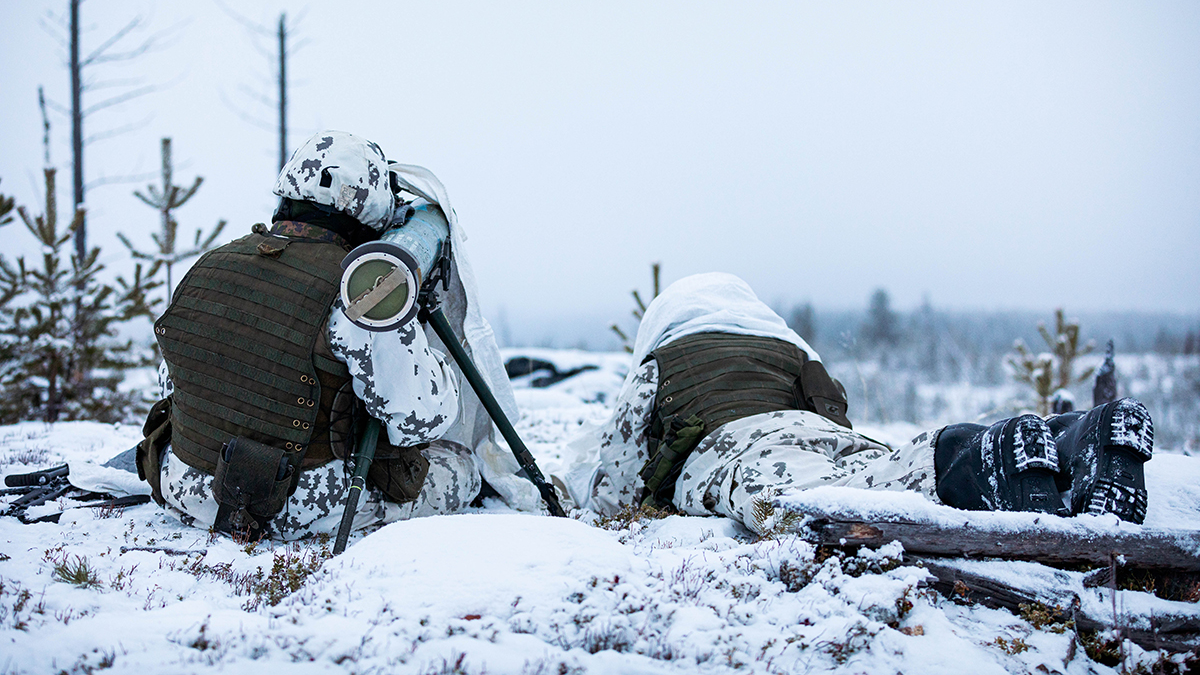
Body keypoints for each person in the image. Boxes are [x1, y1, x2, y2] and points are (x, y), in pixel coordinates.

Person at [136, 130, 538, 540]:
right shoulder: (362, 292)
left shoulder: (209, 265)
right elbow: (421, 421)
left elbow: (174, 382)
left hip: (183, 484)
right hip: (299, 506)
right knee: (460, 465)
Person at [565, 273, 1153, 532]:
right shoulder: (786, 343)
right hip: (811, 432)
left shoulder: (662, 360)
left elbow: (619, 470)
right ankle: (1071, 438)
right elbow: (833, 409)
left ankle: (991, 461)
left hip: (730, 453)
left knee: (811, 505)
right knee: (876, 470)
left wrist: (611, 511)